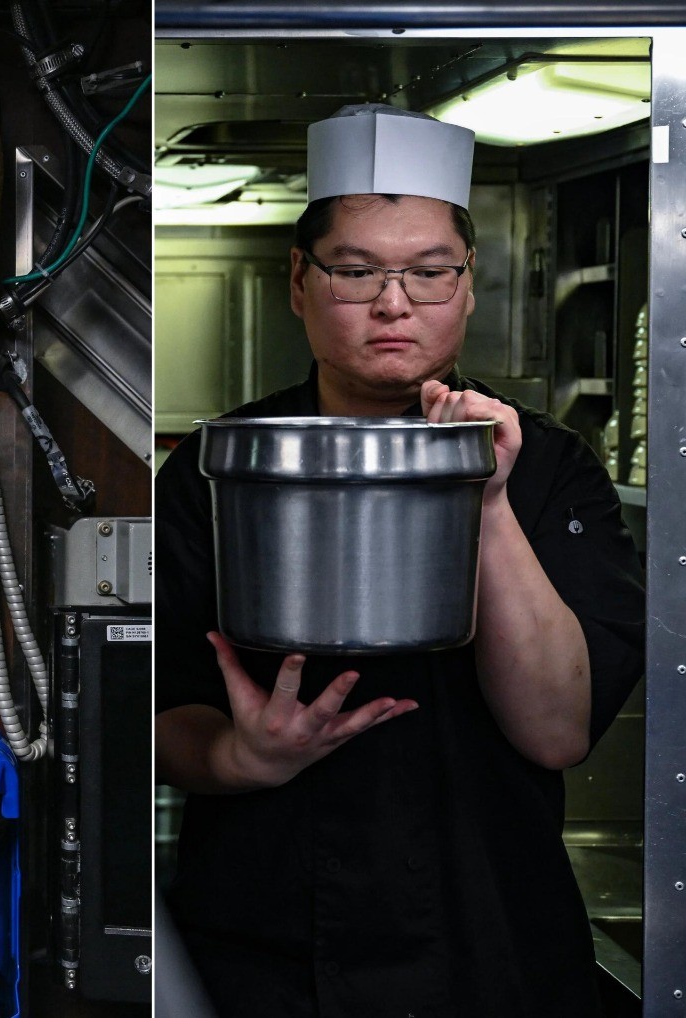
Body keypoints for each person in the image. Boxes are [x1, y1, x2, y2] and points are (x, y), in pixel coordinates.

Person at [155, 104, 645, 1016]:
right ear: (299, 282)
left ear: (468, 285)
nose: (393, 303)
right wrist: (240, 757)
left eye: (428, 273)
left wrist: (487, 500)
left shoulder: (549, 469)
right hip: (264, 946)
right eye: (357, 271)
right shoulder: (221, 466)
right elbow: (158, 712)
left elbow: (556, 730)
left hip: (489, 939)